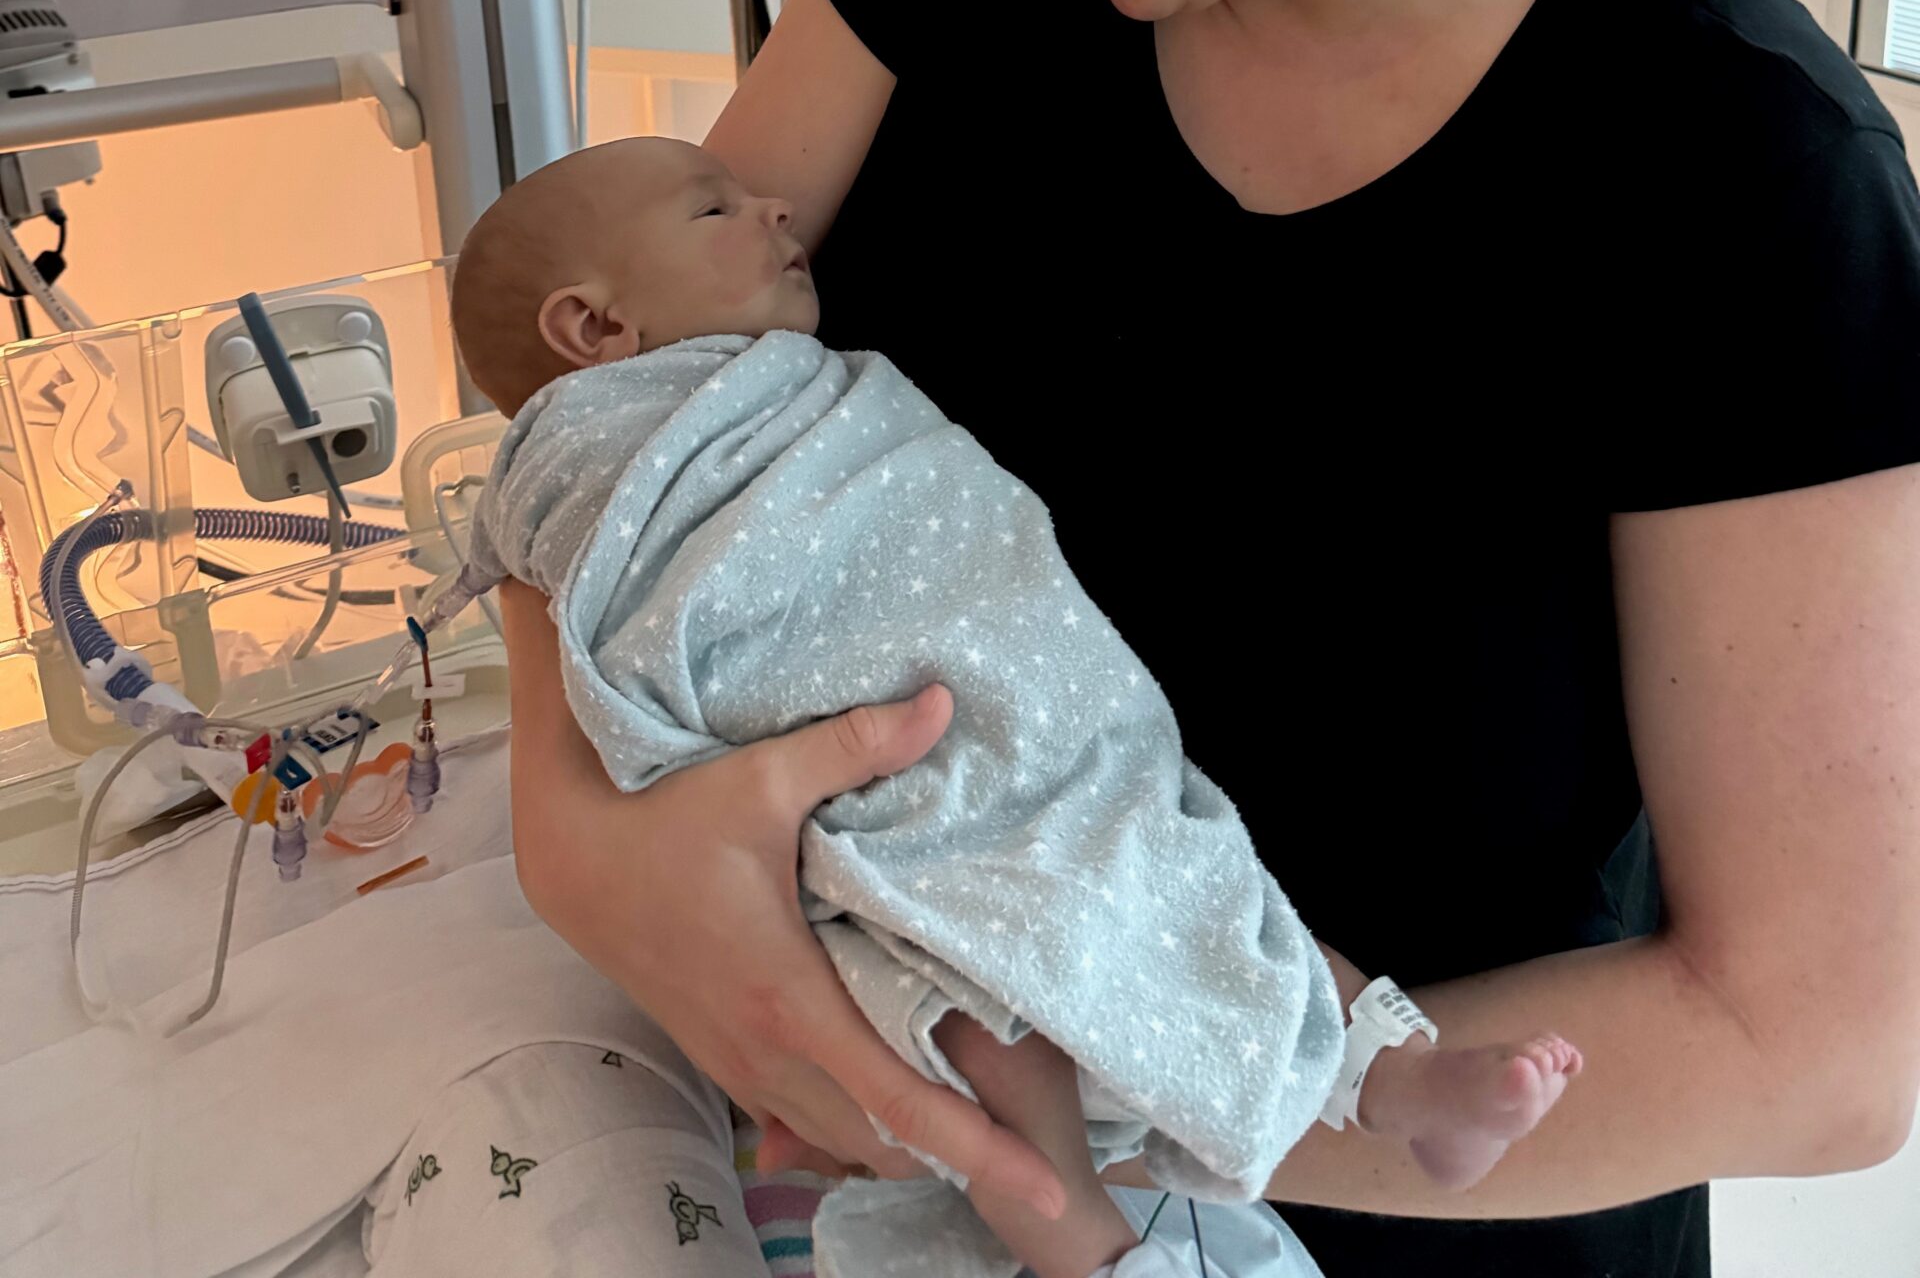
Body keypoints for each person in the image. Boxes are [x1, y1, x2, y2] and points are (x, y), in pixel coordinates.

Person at [501, 0, 1920, 1277]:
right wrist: (583, 836)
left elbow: (1817, 1047)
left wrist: (1105, 1124)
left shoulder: (1737, 174)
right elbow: (631, 387)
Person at [449, 134, 1583, 1278]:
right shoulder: (582, 461)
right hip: (889, 791)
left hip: (1030, 709)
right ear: (593, 329)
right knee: (986, 1011)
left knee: (1202, 877)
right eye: (717, 210)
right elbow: (608, 609)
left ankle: (1399, 1082)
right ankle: (1082, 1242)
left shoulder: (796, 383)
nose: (777, 207)